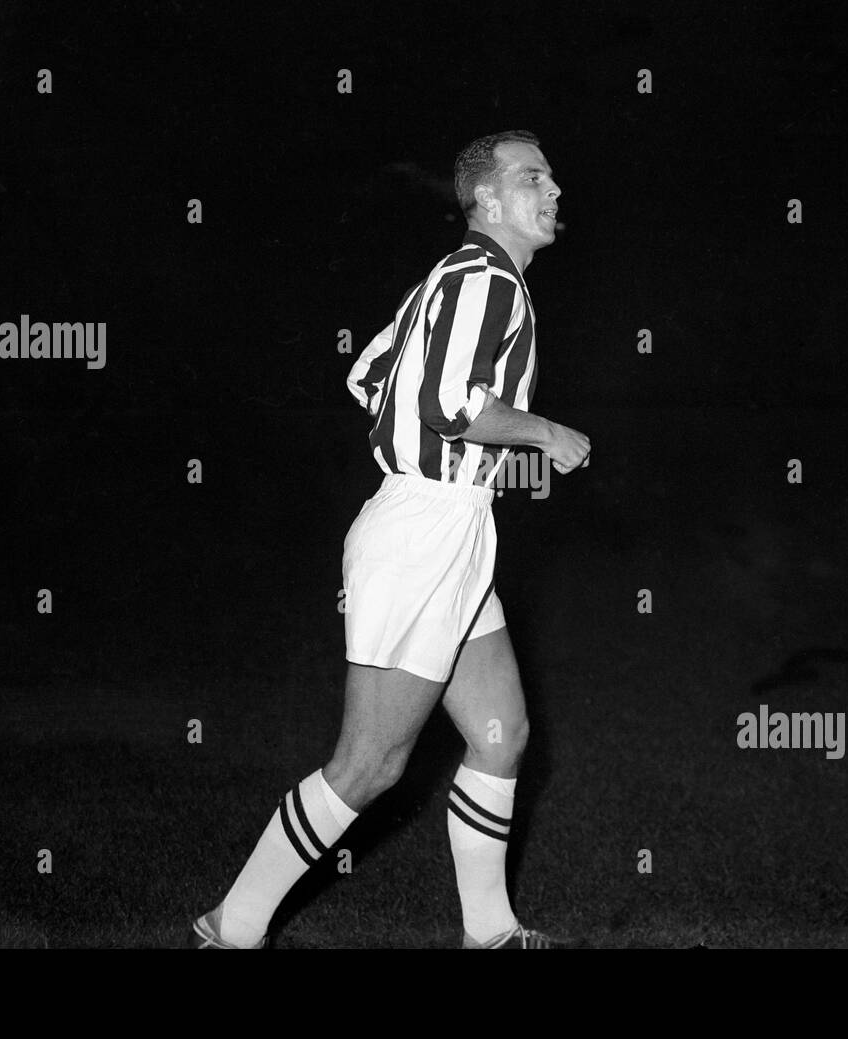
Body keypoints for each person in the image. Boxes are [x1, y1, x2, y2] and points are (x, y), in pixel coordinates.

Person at [192, 130, 591, 949]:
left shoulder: (452, 278)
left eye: (551, 175)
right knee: (369, 764)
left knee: (500, 733)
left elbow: (371, 373)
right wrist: (544, 432)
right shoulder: (490, 279)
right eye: (531, 176)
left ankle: (491, 932)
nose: (552, 188)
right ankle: (229, 928)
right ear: (485, 199)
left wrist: (426, 447)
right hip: (422, 530)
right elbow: (448, 402)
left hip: (450, 523)